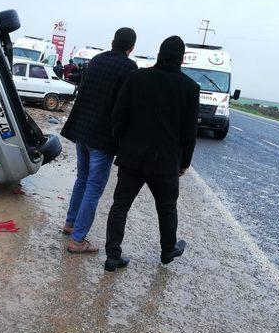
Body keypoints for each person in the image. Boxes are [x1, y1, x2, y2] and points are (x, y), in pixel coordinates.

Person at [104, 35, 199, 271]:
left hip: (132, 157)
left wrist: (123, 144)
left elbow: (118, 115)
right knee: (167, 208)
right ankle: (168, 251)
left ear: (158, 54)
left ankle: (112, 255)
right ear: (182, 59)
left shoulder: (136, 78)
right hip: (166, 162)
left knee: (120, 206)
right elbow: (189, 133)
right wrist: (184, 163)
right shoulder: (189, 88)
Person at [60, 27, 138, 254]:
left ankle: (70, 223)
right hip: (103, 139)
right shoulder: (129, 68)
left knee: (82, 180)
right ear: (131, 48)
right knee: (94, 187)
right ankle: (77, 240)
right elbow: (124, 107)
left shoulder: (95, 60)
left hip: (81, 132)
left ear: (112, 41)